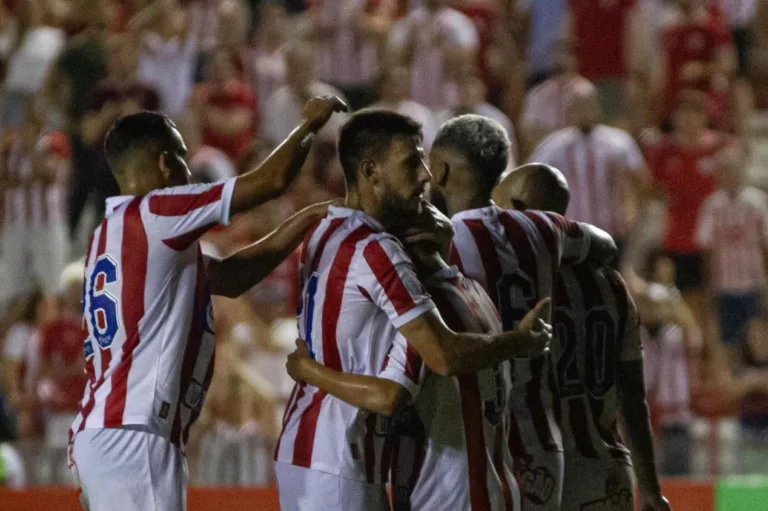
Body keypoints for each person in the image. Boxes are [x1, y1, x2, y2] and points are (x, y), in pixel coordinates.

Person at [68, 95, 347, 511]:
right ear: (164, 163)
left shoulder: (111, 235)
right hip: (134, 432)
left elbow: (230, 279)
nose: (188, 169)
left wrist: (305, 220)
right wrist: (308, 125)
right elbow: (270, 181)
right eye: (182, 157)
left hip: (113, 430)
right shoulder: (159, 212)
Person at [274, 110, 552, 511]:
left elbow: (398, 384)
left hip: (333, 454)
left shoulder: (327, 233)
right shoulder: (437, 278)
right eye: (411, 164)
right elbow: (438, 360)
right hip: (352, 461)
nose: (426, 177)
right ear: (371, 172)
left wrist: (309, 371)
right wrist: (519, 341)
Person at [428, 115, 616, 511]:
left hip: (476, 443)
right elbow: (604, 244)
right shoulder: (545, 228)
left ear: (440, 171)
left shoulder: (440, 241)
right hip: (540, 439)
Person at [284, 202, 519, 511]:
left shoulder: (427, 314)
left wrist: (308, 370)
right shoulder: (476, 292)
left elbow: (390, 395)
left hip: (446, 496)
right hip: (498, 482)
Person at [493, 164, 671, 511]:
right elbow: (633, 399)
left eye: (498, 208)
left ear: (517, 207)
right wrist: (650, 487)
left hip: (536, 470)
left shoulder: (511, 281)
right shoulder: (612, 284)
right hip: (607, 471)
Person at [527, 83, 649, 257]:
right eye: (576, 105)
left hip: (612, 230)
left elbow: (641, 180)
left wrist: (633, 210)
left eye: (587, 104)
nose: (582, 111)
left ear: (597, 106)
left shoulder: (618, 142)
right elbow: (531, 178)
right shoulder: (554, 146)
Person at [695, 145, 768, 365]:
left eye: (733, 169)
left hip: (753, 281)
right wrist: (709, 283)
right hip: (725, 284)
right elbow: (706, 247)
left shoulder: (757, 201)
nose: (729, 175)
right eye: (724, 170)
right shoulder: (712, 205)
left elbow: (765, 242)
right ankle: (731, 378)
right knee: (728, 338)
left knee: (758, 335)